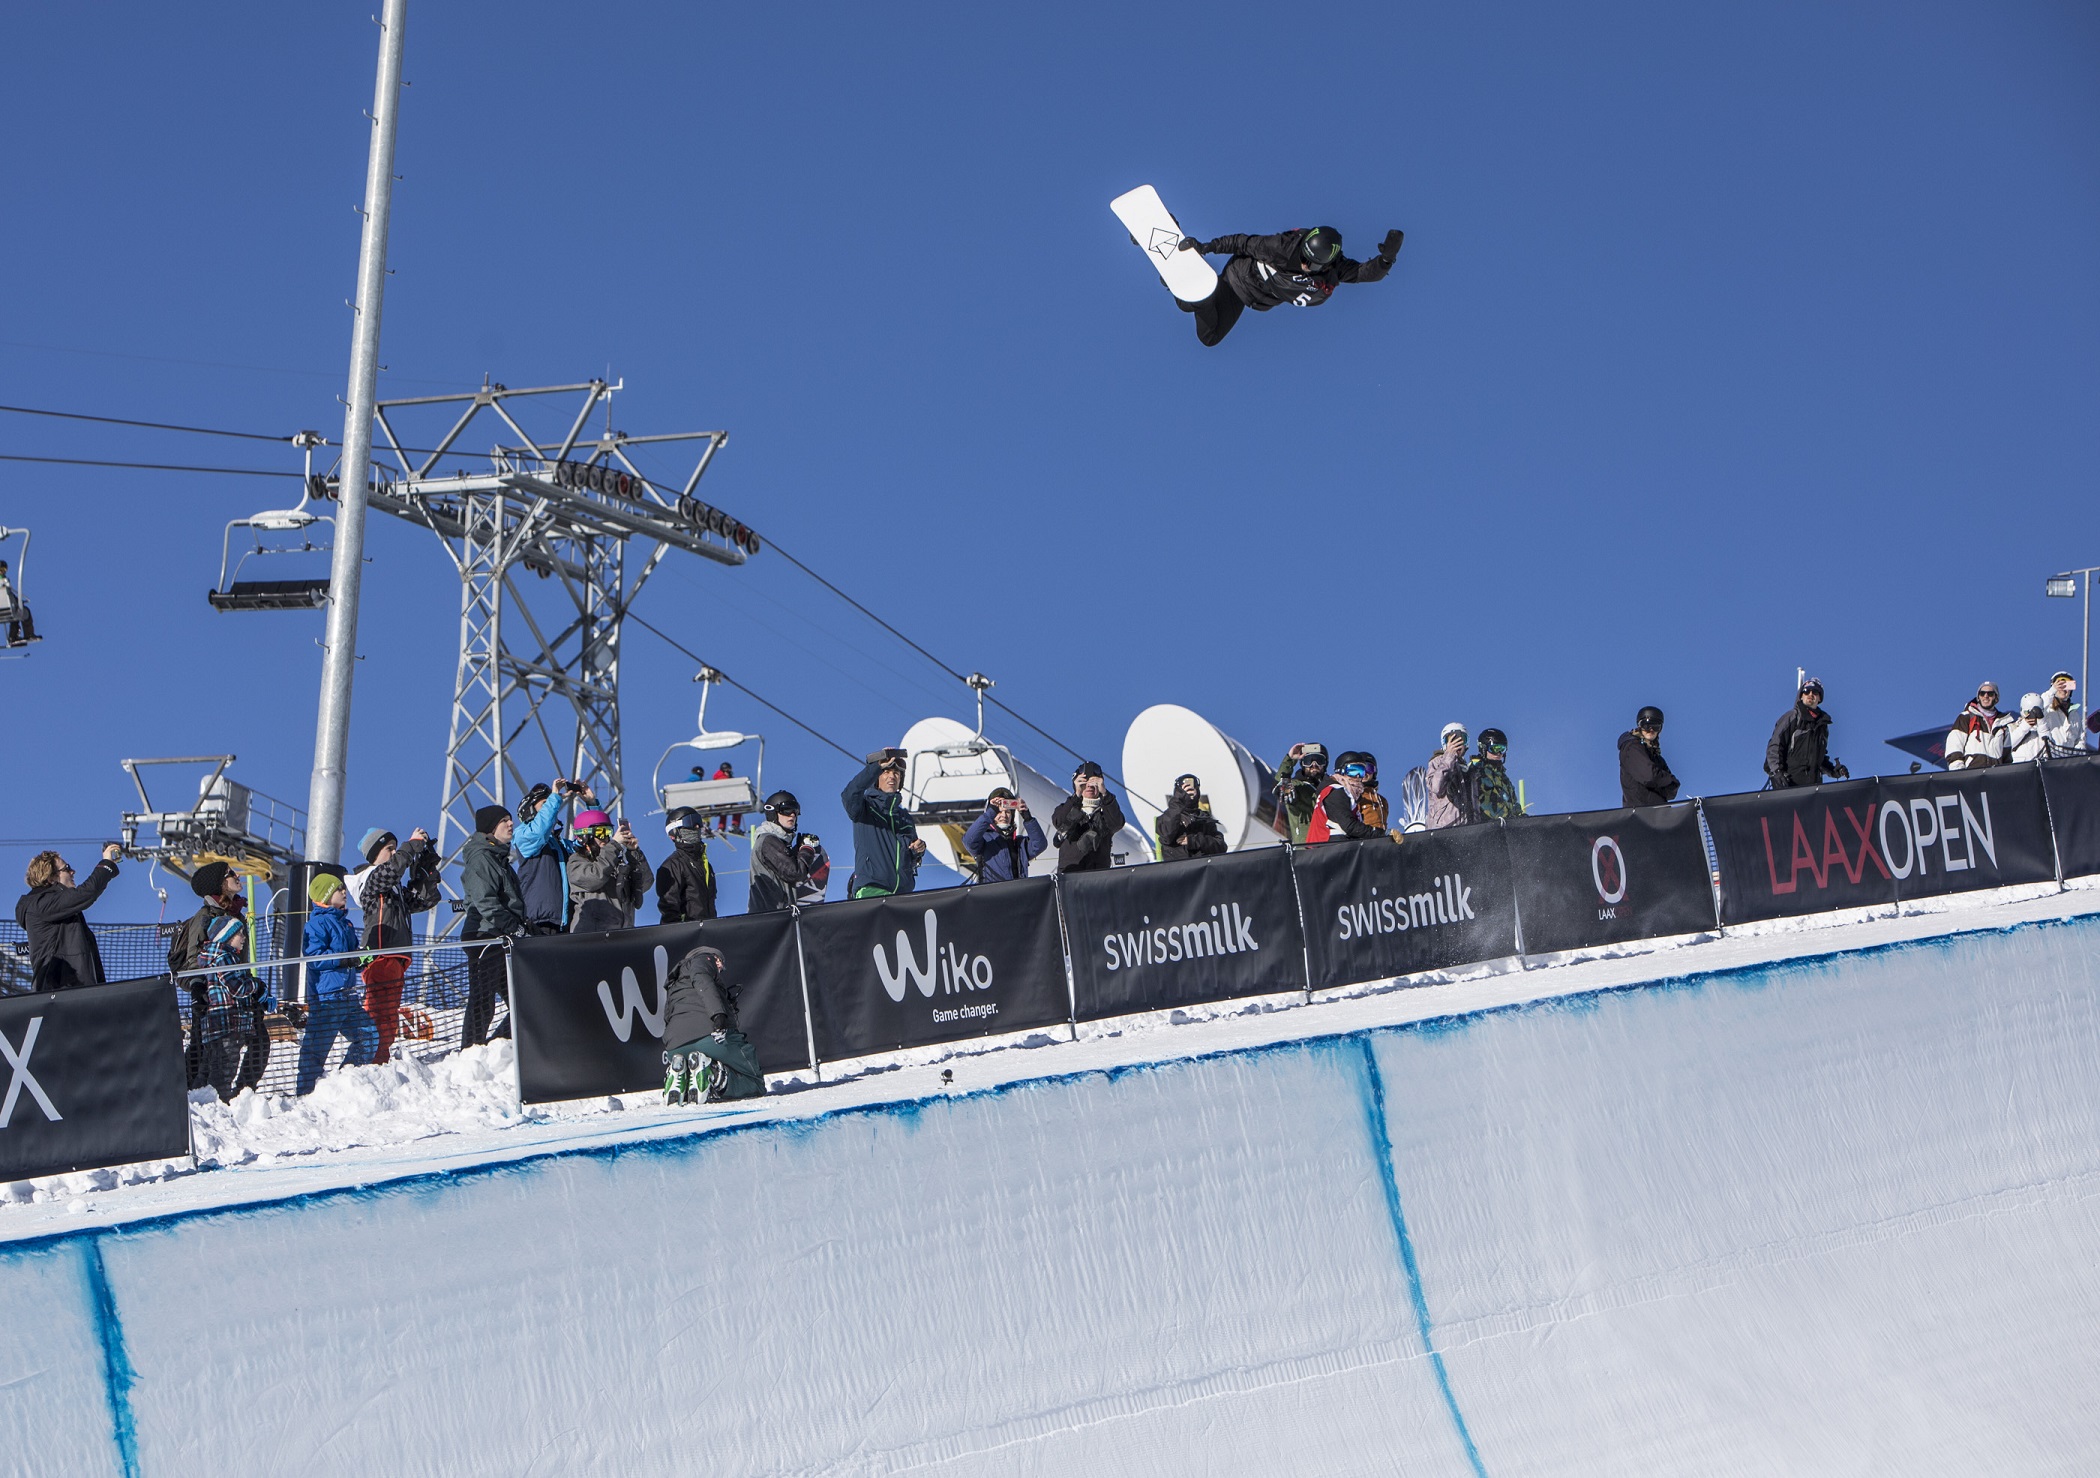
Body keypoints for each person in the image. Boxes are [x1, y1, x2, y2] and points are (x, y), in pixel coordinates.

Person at [1173, 226, 1403, 347]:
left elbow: (1364, 273)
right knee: (1200, 322)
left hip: (1251, 298)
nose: (1304, 264)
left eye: (1309, 263)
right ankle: (1195, 295)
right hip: (1238, 278)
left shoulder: (1335, 269)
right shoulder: (1282, 247)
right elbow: (1242, 242)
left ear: (1325, 264)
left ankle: (1198, 298)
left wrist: (1386, 260)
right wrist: (1206, 247)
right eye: (1304, 257)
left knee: (1209, 338)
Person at [347, 825, 438, 1065]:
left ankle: (379, 1059)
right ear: (374, 854)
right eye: (389, 848)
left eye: (396, 848)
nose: (394, 852)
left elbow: (423, 900)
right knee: (379, 1011)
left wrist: (425, 867)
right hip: (380, 953)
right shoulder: (370, 878)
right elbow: (390, 871)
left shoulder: (393, 887)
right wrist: (410, 848)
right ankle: (369, 1060)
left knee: (388, 1014)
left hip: (395, 956)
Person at [168, 861, 254, 1090]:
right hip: (210, 992)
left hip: (234, 991)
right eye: (230, 874)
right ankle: (190, 1092)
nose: (237, 876)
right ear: (219, 884)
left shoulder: (236, 914)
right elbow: (194, 955)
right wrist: (198, 989)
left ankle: (240, 1090)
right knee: (201, 1045)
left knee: (255, 1037)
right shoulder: (205, 915)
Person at [296, 873, 377, 1095]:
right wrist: (347, 958)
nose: (344, 892)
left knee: (368, 1036)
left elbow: (348, 958)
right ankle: (305, 1095)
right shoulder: (317, 923)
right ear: (325, 896)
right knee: (316, 1049)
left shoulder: (345, 923)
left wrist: (361, 959)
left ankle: (343, 1085)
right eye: (338, 889)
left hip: (348, 996)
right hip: (327, 998)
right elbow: (315, 957)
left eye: (343, 888)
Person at [658, 945, 763, 1104]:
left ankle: (680, 1076)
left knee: (693, 1070)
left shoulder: (675, 982)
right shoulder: (702, 960)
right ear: (712, 957)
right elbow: (702, 979)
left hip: (675, 1048)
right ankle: (715, 1073)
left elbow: (668, 1015)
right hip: (709, 1036)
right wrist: (718, 1014)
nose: (720, 967)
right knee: (755, 1083)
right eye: (720, 961)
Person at [459, 803, 525, 1048]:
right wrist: (513, 927)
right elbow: (485, 902)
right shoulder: (482, 858)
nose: (511, 824)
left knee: (523, 999)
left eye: (510, 819)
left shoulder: (499, 858)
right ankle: (471, 1051)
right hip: (484, 935)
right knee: (482, 999)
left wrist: (523, 926)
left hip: (500, 936)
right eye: (504, 821)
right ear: (490, 828)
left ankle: (496, 1047)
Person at [14, 844, 120, 992]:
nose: (72, 871)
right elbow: (86, 893)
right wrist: (106, 864)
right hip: (59, 992)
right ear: (51, 877)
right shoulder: (41, 903)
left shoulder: (59, 909)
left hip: (76, 993)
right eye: (66, 868)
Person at [193, 912, 271, 1101]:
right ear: (226, 937)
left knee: (209, 1065)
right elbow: (236, 988)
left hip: (215, 1025)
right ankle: (219, 1102)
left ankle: (197, 1098)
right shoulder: (225, 958)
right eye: (240, 934)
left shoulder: (213, 958)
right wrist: (256, 985)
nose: (243, 938)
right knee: (225, 1068)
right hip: (229, 1023)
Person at [842, 750, 924, 898]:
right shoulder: (865, 807)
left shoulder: (905, 818)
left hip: (902, 894)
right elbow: (849, 794)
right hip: (872, 891)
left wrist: (917, 851)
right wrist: (876, 767)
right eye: (886, 772)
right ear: (877, 778)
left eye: (896, 773)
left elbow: (909, 856)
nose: (892, 776)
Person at [514, 779, 589, 935]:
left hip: (567, 922)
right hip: (540, 921)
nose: (551, 807)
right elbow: (539, 832)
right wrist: (555, 797)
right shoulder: (523, 835)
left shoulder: (562, 845)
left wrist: (591, 803)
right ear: (530, 810)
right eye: (544, 804)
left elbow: (593, 845)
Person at [567, 810, 651, 931]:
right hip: (592, 938)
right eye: (601, 832)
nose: (606, 838)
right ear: (585, 835)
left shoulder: (615, 862)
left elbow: (646, 883)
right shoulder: (577, 861)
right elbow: (595, 877)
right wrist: (614, 845)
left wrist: (634, 853)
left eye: (608, 832)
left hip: (622, 936)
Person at [749, 791, 829, 912]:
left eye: (796, 811)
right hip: (769, 918)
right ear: (773, 812)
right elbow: (794, 872)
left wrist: (799, 850)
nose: (792, 815)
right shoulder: (767, 841)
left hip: (775, 916)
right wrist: (807, 849)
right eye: (786, 809)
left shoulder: (778, 843)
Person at [1765, 677, 1848, 789]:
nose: (1810, 694)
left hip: (1812, 789)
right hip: (1788, 785)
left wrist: (1834, 771)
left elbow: (1819, 759)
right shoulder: (1792, 718)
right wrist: (1778, 772)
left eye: (1815, 692)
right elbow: (1775, 746)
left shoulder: (1822, 726)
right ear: (1801, 695)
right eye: (1806, 691)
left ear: (1820, 697)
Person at [1052, 762, 1129, 873]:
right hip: (1071, 877)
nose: (1089, 785)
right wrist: (1076, 796)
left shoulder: (1106, 812)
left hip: (1098, 879)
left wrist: (1105, 795)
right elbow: (1059, 822)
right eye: (1084, 781)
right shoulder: (1067, 808)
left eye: (1094, 781)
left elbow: (1117, 823)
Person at [962, 788, 1049, 881]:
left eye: (1007, 812)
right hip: (992, 893)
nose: (1004, 815)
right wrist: (991, 811)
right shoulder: (984, 840)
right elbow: (968, 841)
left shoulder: (1019, 843)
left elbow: (1040, 844)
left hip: (1018, 893)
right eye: (999, 812)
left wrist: (1027, 817)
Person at [656, 807, 719, 924]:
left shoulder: (704, 864)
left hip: (708, 930)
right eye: (690, 821)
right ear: (675, 832)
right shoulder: (673, 865)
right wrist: (679, 936)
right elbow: (669, 908)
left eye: (698, 821)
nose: (697, 826)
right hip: (689, 933)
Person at [1305, 756, 1386, 843]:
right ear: (1341, 771)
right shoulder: (1335, 791)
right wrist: (1379, 834)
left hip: (1335, 847)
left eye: (1361, 771)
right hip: (1328, 847)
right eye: (1353, 771)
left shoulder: (1349, 794)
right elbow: (1349, 825)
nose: (1358, 776)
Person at [1155, 775, 1229, 862]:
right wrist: (1178, 800)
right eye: (1184, 789)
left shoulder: (1204, 818)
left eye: (1193, 788)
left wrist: (1193, 841)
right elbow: (1166, 834)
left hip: (1203, 869)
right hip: (1179, 871)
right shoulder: (1168, 817)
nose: (1189, 791)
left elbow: (1221, 846)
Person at [1619, 706, 1680, 808]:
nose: (1651, 730)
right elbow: (1649, 776)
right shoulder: (1632, 748)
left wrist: (1666, 781)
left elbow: (1672, 791)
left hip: (1660, 814)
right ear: (1640, 726)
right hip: (1641, 815)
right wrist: (1667, 780)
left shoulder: (1657, 758)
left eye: (1655, 726)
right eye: (1646, 725)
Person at [1272, 743, 1329, 843]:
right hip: (1306, 846)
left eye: (1319, 760)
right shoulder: (1297, 786)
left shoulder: (1331, 787)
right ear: (1302, 763)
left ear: (1325, 764)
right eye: (1308, 761)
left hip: (1330, 844)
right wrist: (1290, 759)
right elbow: (1281, 786)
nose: (1313, 765)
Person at [1945, 683, 2009, 770]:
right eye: (1982, 693)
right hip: (1971, 775)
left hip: (1995, 777)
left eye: (1990, 693)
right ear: (1978, 697)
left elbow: (2008, 756)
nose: (1986, 696)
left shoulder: (2004, 723)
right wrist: (1958, 772)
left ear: (1996, 697)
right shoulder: (1966, 717)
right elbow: (1954, 745)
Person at [1467, 729, 1524, 821]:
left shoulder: (1503, 778)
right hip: (1486, 825)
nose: (1498, 753)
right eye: (1494, 749)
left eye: (1502, 749)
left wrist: (1519, 817)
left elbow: (1512, 802)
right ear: (1483, 748)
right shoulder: (1476, 771)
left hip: (1507, 826)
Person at [1426, 724, 1472, 829]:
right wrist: (1449, 756)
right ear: (1444, 743)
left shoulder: (1467, 769)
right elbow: (1437, 787)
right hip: (1443, 828)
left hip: (1467, 828)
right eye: (1451, 740)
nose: (1457, 744)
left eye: (1461, 740)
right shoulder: (1437, 762)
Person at [2041, 672, 2085, 756]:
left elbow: (2080, 739)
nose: (2063, 688)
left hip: (2068, 763)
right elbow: (2039, 709)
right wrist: (2052, 691)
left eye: (2067, 685)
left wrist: (2076, 758)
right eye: (2060, 685)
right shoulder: (2048, 709)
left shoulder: (2075, 714)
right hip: (2050, 758)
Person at [2008, 695, 2051, 764]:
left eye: (2036, 713)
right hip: (2018, 769)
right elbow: (2007, 746)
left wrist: (2041, 723)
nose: (2031, 716)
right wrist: (2024, 727)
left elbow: (2051, 748)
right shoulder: (2012, 727)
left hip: (2039, 770)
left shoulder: (2044, 729)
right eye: (2027, 713)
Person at [0, 559, 33, 647]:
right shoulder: (4, 582)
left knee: (15, 615)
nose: (2, 572)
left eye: (3, 570)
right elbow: (9, 596)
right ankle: (28, 634)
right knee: (23, 612)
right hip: (7, 609)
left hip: (4, 611)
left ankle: (13, 637)